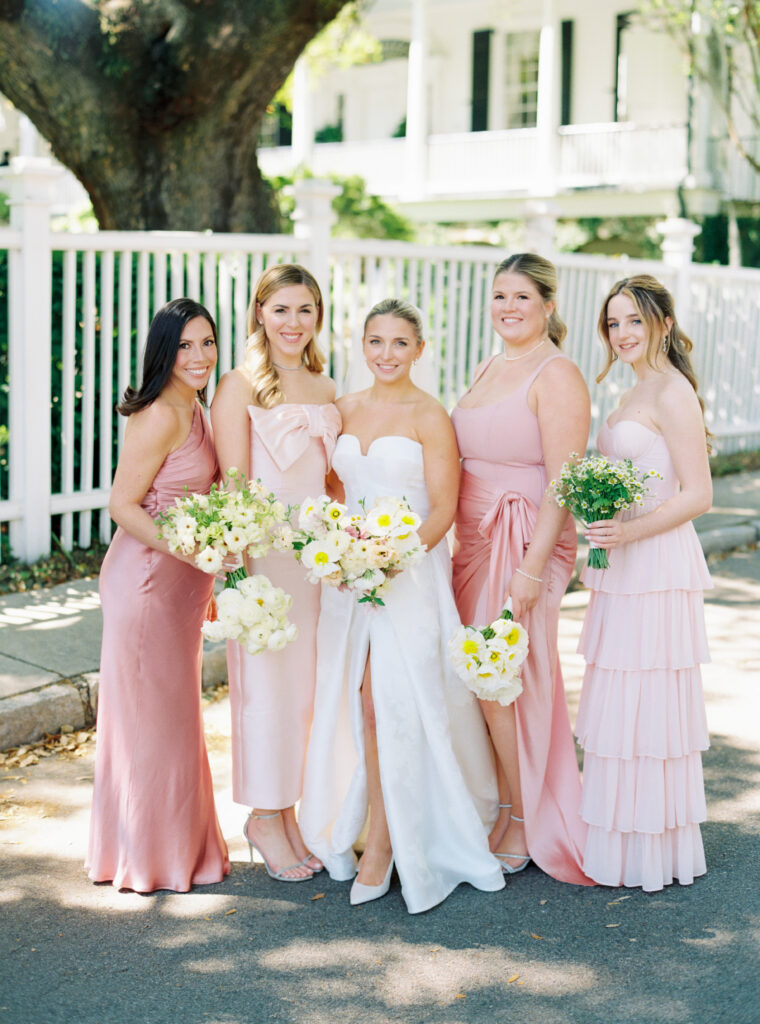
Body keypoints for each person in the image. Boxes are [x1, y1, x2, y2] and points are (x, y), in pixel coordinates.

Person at [299, 298, 505, 914]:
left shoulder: (429, 415)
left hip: (407, 575)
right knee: (358, 702)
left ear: (419, 349)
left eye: (399, 343)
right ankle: (372, 826)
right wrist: (336, 550)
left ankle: (386, 845)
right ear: (359, 345)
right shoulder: (343, 409)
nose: (386, 353)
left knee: (387, 702)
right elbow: (335, 491)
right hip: (349, 582)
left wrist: (393, 557)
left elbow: (442, 507)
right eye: (375, 341)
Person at [451, 253, 593, 885]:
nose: (508, 308)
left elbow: (564, 482)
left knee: (504, 679)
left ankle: (522, 814)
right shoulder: (490, 365)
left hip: (524, 539)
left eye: (522, 298)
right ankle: (500, 800)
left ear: (548, 306)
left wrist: (533, 569)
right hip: (473, 540)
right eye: (499, 297)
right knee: (477, 679)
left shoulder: (557, 373)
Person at [87, 298, 230, 893]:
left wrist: (212, 568)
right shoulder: (159, 415)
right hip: (145, 582)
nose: (198, 357)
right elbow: (122, 505)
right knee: (151, 721)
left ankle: (177, 849)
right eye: (185, 346)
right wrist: (192, 551)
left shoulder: (196, 406)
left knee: (175, 718)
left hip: (182, 587)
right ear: (163, 352)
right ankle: (146, 859)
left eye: (207, 343)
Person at [576, 274, 712, 891]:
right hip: (622, 562)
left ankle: (655, 853)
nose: (622, 333)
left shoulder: (671, 392)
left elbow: (700, 495)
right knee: (618, 702)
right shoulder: (628, 393)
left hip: (656, 564)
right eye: (613, 323)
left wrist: (631, 534)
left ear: (661, 323)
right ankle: (620, 847)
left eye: (633, 320)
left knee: (649, 703)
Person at [211, 264, 339, 882]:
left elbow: (335, 478)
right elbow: (234, 482)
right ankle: (265, 813)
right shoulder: (239, 386)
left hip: (317, 559)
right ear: (260, 312)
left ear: (319, 315)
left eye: (305, 310)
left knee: (309, 691)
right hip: (265, 555)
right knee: (267, 690)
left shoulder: (327, 384)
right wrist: (236, 567)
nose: (293, 323)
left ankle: (291, 815)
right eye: (281, 309)